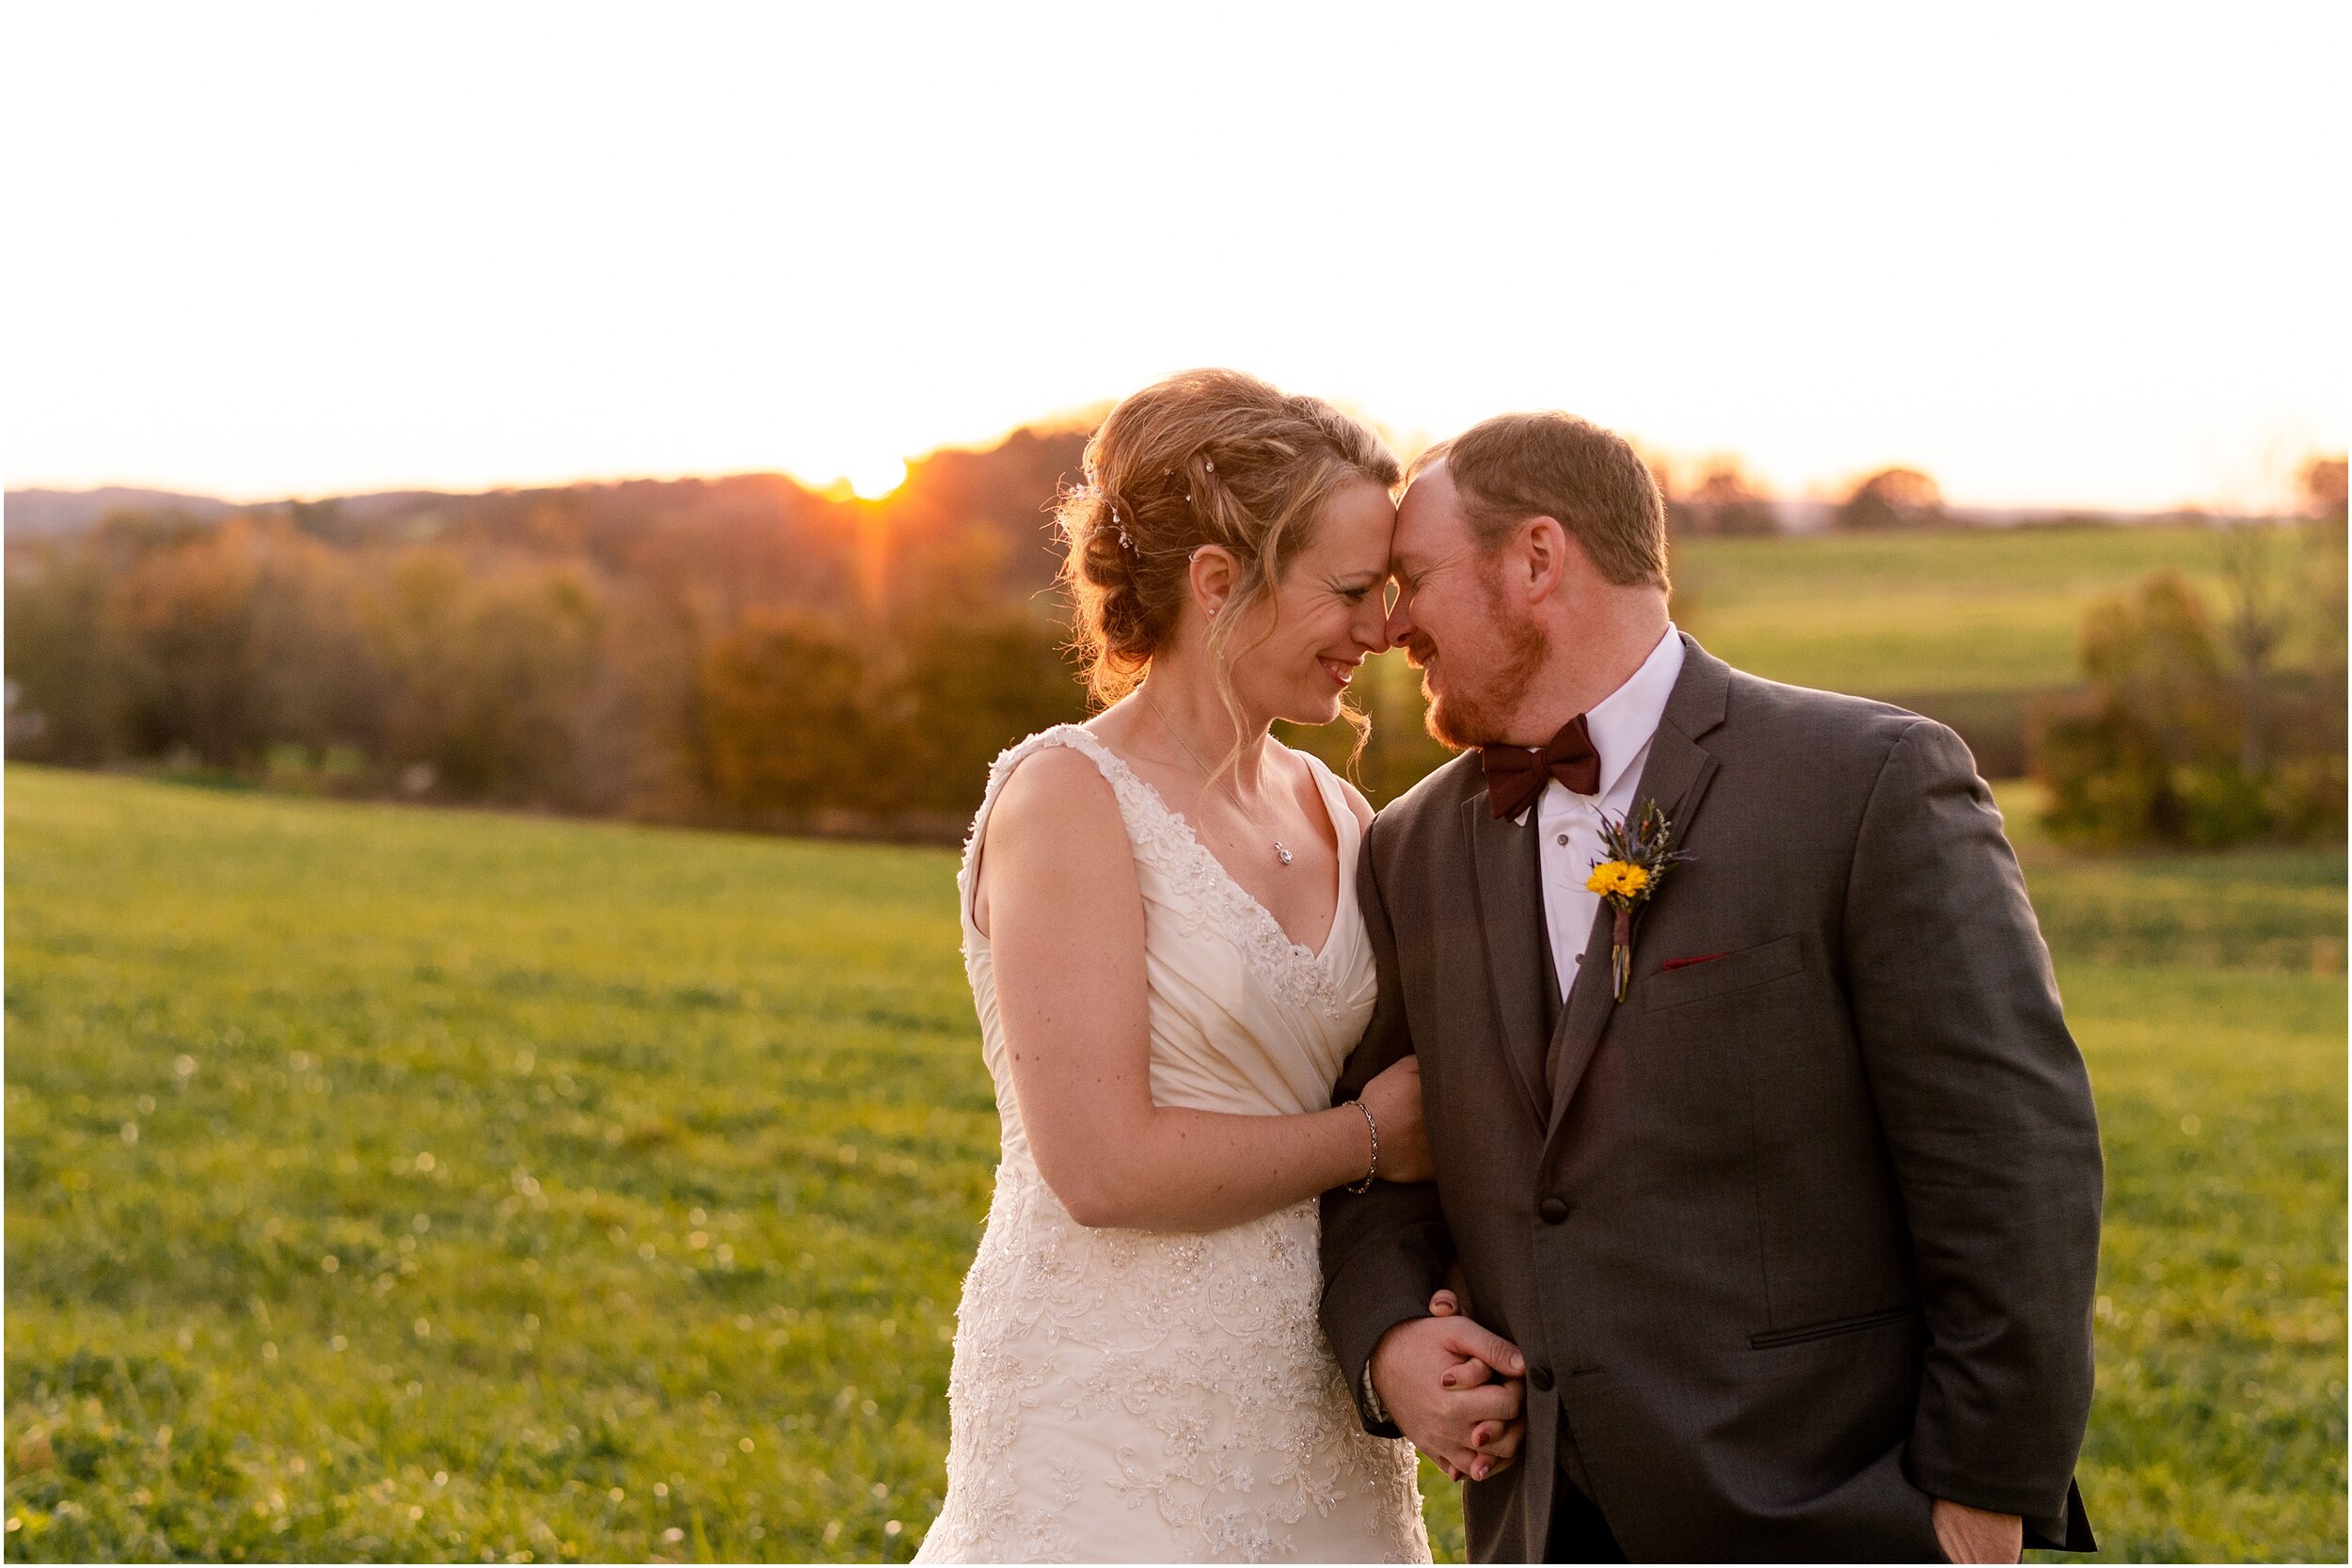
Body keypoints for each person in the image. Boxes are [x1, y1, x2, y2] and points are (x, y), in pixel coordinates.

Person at [1318, 411, 2105, 1562]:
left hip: (1838, 1512)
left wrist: (1980, 1498)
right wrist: (1387, 1336)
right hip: (1543, 1526)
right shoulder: (1407, 846)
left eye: (1413, 577)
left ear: (1536, 560)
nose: (1391, 625)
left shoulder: (1868, 784)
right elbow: (1382, 1154)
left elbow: (2013, 1161)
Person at [916, 370, 1511, 1562]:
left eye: (1388, 593)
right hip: (1114, 1399)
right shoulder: (1071, 799)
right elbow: (1100, 1164)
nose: (1383, 630)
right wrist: (1368, 1136)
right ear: (1216, 580)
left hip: (1311, 1405)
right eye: (1348, 591)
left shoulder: (1341, 810)